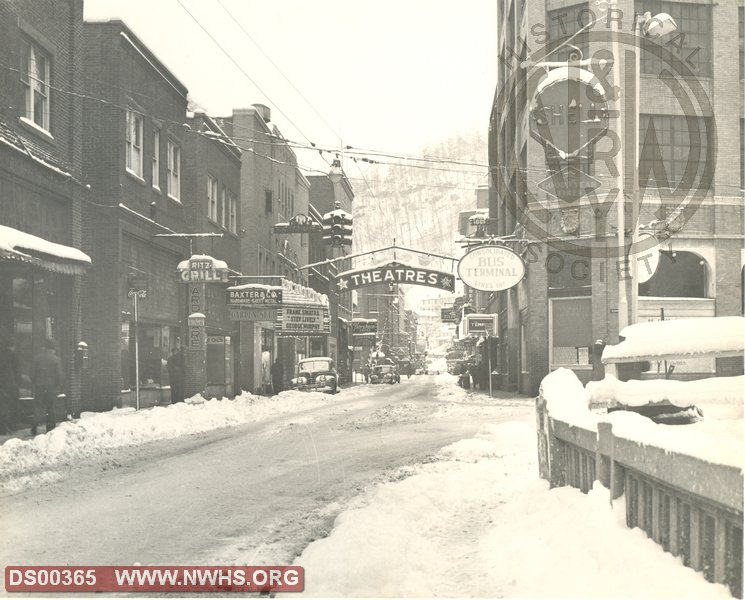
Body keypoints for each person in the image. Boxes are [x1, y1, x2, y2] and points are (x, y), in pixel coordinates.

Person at [31, 339, 64, 435]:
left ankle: (34, 425)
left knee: (38, 407)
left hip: (39, 387)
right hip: (51, 388)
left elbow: (32, 374)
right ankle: (50, 430)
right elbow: (59, 375)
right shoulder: (56, 359)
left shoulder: (37, 358)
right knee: (51, 408)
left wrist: (36, 383)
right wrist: (59, 385)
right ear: (53, 349)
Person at [0, 338, 21, 434]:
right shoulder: (13, 356)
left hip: (2, 385)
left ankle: (3, 427)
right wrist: (17, 382)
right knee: (11, 405)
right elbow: (17, 372)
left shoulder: (2, 355)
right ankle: (9, 426)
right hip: (11, 385)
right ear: (13, 346)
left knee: (3, 405)